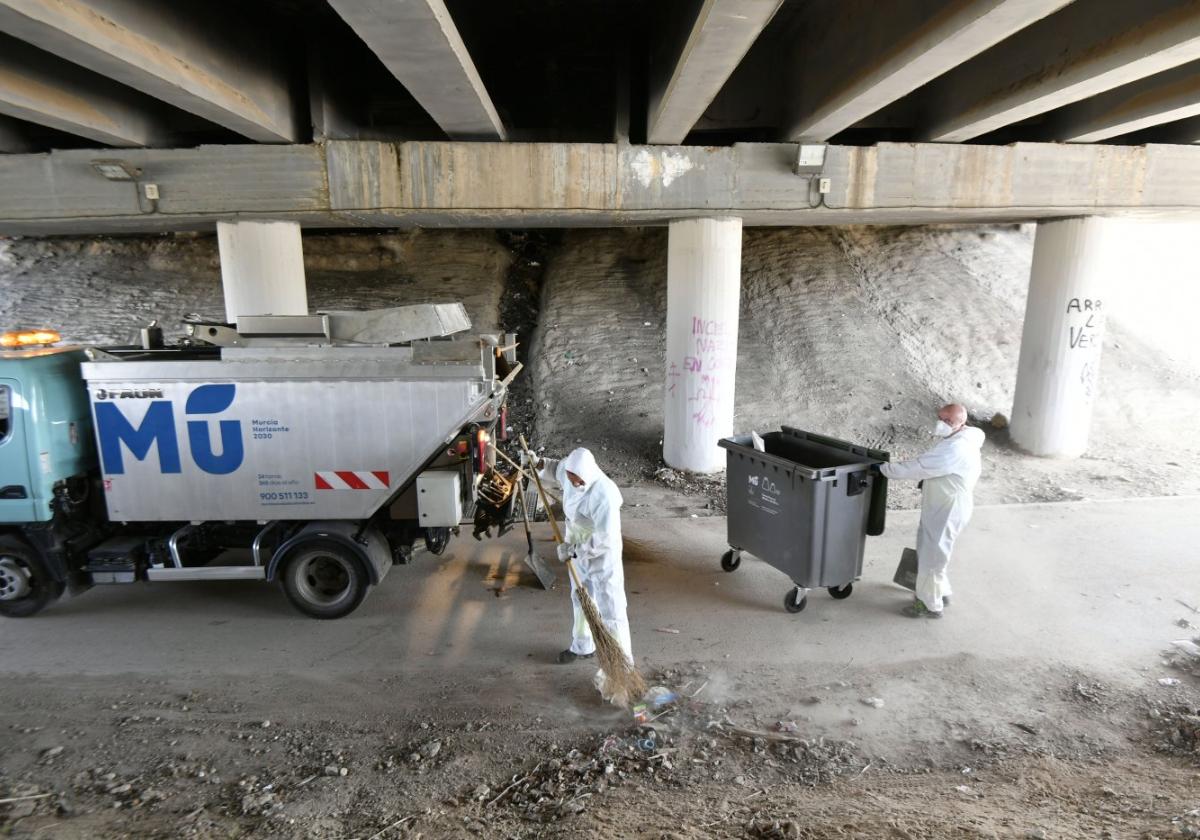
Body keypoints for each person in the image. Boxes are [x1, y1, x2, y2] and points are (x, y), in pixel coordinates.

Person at [879, 403, 984, 619]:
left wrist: (883, 469)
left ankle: (929, 605)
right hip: (945, 504)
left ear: (962, 422)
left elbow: (918, 467)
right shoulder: (965, 437)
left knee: (931, 557)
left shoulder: (955, 448)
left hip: (947, 508)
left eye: (948, 421)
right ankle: (941, 592)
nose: (942, 424)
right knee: (935, 552)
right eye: (940, 418)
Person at [537, 448, 633, 676]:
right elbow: (555, 469)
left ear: (587, 474)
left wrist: (575, 550)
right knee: (581, 599)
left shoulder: (604, 494)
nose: (571, 481)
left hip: (601, 559)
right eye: (570, 477)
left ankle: (623, 666)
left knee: (612, 610)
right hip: (577, 550)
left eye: (576, 478)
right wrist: (538, 463)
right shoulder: (570, 473)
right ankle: (582, 646)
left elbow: (604, 538)